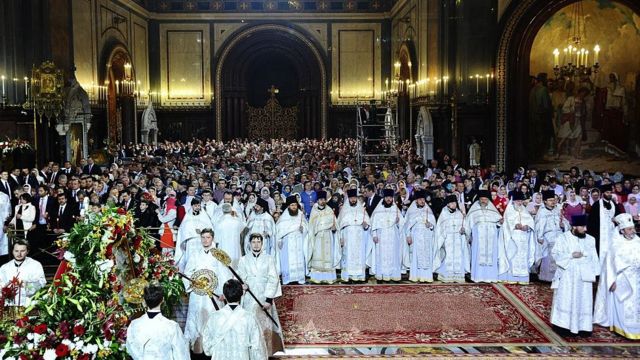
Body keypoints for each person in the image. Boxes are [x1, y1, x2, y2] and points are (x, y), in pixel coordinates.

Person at [182, 229, 232, 355]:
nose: (205, 240)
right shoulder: (195, 254)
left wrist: (223, 293)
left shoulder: (219, 254)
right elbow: (187, 273)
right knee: (196, 321)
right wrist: (193, 284)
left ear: (212, 238)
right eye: (203, 237)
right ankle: (196, 352)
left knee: (212, 321)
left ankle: (214, 352)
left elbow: (224, 274)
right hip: (198, 295)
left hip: (214, 295)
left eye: (208, 237)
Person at [550, 214, 600, 336]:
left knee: (584, 300)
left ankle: (583, 326)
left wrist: (595, 273)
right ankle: (563, 326)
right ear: (574, 227)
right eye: (582, 227)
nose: (585, 229)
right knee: (567, 299)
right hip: (568, 276)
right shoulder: (563, 238)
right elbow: (556, 254)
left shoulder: (591, 239)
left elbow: (594, 258)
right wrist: (571, 255)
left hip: (584, 276)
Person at [237, 233, 285, 356]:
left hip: (264, 298)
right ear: (250, 243)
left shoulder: (269, 259)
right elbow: (240, 277)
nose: (256, 244)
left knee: (264, 326)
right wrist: (242, 285)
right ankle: (250, 354)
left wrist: (268, 300)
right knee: (250, 325)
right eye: (253, 242)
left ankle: (266, 353)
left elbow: (273, 279)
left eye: (258, 242)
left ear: (262, 244)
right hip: (249, 297)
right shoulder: (243, 260)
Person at [595, 213, 640, 339]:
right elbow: (609, 266)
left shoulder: (638, 241)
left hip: (637, 279)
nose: (632, 231)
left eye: (633, 228)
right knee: (624, 305)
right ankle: (622, 328)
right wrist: (611, 281)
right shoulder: (616, 244)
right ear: (622, 230)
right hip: (622, 280)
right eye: (629, 229)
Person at [202, 279, 267, 360]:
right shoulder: (249, 317)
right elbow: (257, 347)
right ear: (241, 294)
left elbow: (207, 348)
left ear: (224, 296)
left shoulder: (214, 317)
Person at [125, 284, 190, 360]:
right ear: (162, 300)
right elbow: (181, 355)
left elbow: (130, 349)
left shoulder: (134, 325)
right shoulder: (171, 326)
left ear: (144, 301)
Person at [464, 190, 503, 283]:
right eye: (482, 199)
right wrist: (467, 235)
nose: (484, 201)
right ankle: (477, 276)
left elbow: (498, 221)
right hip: (478, 238)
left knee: (491, 255)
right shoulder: (474, 210)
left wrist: (500, 222)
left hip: (491, 238)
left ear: (488, 200)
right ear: (479, 199)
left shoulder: (492, 209)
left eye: (485, 199)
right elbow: (468, 224)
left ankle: (491, 277)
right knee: (478, 255)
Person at [498, 192, 536, 284]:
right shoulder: (509, 211)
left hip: (523, 237)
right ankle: (511, 277)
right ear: (513, 201)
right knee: (513, 255)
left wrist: (527, 227)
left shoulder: (524, 210)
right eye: (518, 201)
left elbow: (531, 222)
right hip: (512, 238)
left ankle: (523, 278)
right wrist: (515, 226)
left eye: (521, 201)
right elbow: (506, 225)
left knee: (523, 256)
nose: (520, 203)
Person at [305, 190, 340, 284]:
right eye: (321, 200)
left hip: (328, 236)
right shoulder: (314, 211)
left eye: (324, 199)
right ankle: (317, 278)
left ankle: (328, 278)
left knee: (328, 257)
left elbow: (335, 224)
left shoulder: (329, 210)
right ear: (317, 201)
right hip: (318, 237)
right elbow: (311, 226)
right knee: (318, 256)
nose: (322, 201)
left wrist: (334, 228)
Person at [370, 189, 405, 282]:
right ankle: (381, 275)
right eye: (387, 197)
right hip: (381, 236)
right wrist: (374, 235)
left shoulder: (395, 209)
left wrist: (398, 223)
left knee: (393, 255)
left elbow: (402, 224)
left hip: (393, 236)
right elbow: (373, 224)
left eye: (390, 197)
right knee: (381, 255)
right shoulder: (378, 210)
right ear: (384, 198)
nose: (389, 199)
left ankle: (393, 275)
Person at [403, 190, 438, 282]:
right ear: (416, 201)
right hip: (416, 237)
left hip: (427, 237)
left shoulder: (429, 211)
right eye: (420, 199)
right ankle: (415, 276)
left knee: (427, 256)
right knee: (416, 257)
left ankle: (427, 277)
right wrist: (408, 236)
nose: (422, 201)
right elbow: (407, 226)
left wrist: (430, 225)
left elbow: (434, 226)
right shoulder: (411, 212)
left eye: (423, 199)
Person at [337, 189, 371, 282]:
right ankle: (348, 277)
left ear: (357, 198)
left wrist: (366, 226)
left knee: (360, 256)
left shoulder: (362, 210)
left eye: (354, 198)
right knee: (348, 256)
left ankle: (360, 276)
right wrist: (341, 238)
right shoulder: (344, 211)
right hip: (348, 238)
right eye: (351, 198)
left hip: (360, 237)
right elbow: (339, 226)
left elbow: (368, 224)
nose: (353, 200)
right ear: (348, 199)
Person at [535, 190, 570, 282]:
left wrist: (564, 226)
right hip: (548, 236)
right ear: (545, 201)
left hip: (559, 235)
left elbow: (565, 222)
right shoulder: (542, 212)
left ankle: (558, 276)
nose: (553, 202)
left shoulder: (557, 210)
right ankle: (547, 277)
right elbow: (539, 226)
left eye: (553, 200)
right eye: (550, 200)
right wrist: (540, 237)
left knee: (560, 255)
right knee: (548, 256)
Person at [434, 194, 469, 283]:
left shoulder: (460, 214)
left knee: (458, 256)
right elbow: (439, 228)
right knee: (448, 255)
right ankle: (446, 275)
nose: (454, 205)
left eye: (455, 203)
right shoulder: (444, 214)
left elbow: (464, 225)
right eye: (452, 203)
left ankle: (458, 276)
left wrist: (464, 230)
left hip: (458, 238)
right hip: (448, 238)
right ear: (448, 204)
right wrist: (443, 238)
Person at [0, 240, 46, 306]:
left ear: (27, 251)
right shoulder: (4, 267)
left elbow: (41, 284)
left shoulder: (35, 265)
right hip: (9, 305)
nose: (19, 254)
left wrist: (26, 285)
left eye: (22, 251)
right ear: (12, 251)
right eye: (16, 251)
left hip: (29, 304)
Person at [276, 195, 308, 285]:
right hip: (287, 243)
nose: (294, 207)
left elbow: (306, 227)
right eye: (292, 205)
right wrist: (279, 240)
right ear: (288, 206)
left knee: (299, 258)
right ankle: (288, 278)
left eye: (295, 205)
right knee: (287, 260)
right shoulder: (284, 217)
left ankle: (300, 278)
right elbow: (279, 230)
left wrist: (303, 229)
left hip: (299, 241)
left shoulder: (301, 215)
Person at [175, 198, 213, 271]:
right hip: (191, 242)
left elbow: (209, 227)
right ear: (192, 206)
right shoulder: (188, 216)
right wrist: (192, 232)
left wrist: (202, 232)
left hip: (201, 241)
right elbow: (183, 229)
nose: (197, 207)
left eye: (199, 205)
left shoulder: (204, 216)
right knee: (190, 258)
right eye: (195, 206)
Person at [587, 184, 621, 264]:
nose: (609, 194)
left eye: (610, 192)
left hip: (611, 233)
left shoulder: (614, 205)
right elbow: (591, 221)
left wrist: (616, 220)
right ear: (603, 194)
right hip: (599, 234)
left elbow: (619, 217)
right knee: (599, 253)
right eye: (607, 192)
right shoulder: (596, 205)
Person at [214, 203, 247, 268]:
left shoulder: (219, 223)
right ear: (231, 210)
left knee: (224, 269)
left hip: (224, 248)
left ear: (222, 211)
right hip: (235, 249)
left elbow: (216, 239)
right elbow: (244, 225)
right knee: (235, 269)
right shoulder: (236, 221)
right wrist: (236, 216)